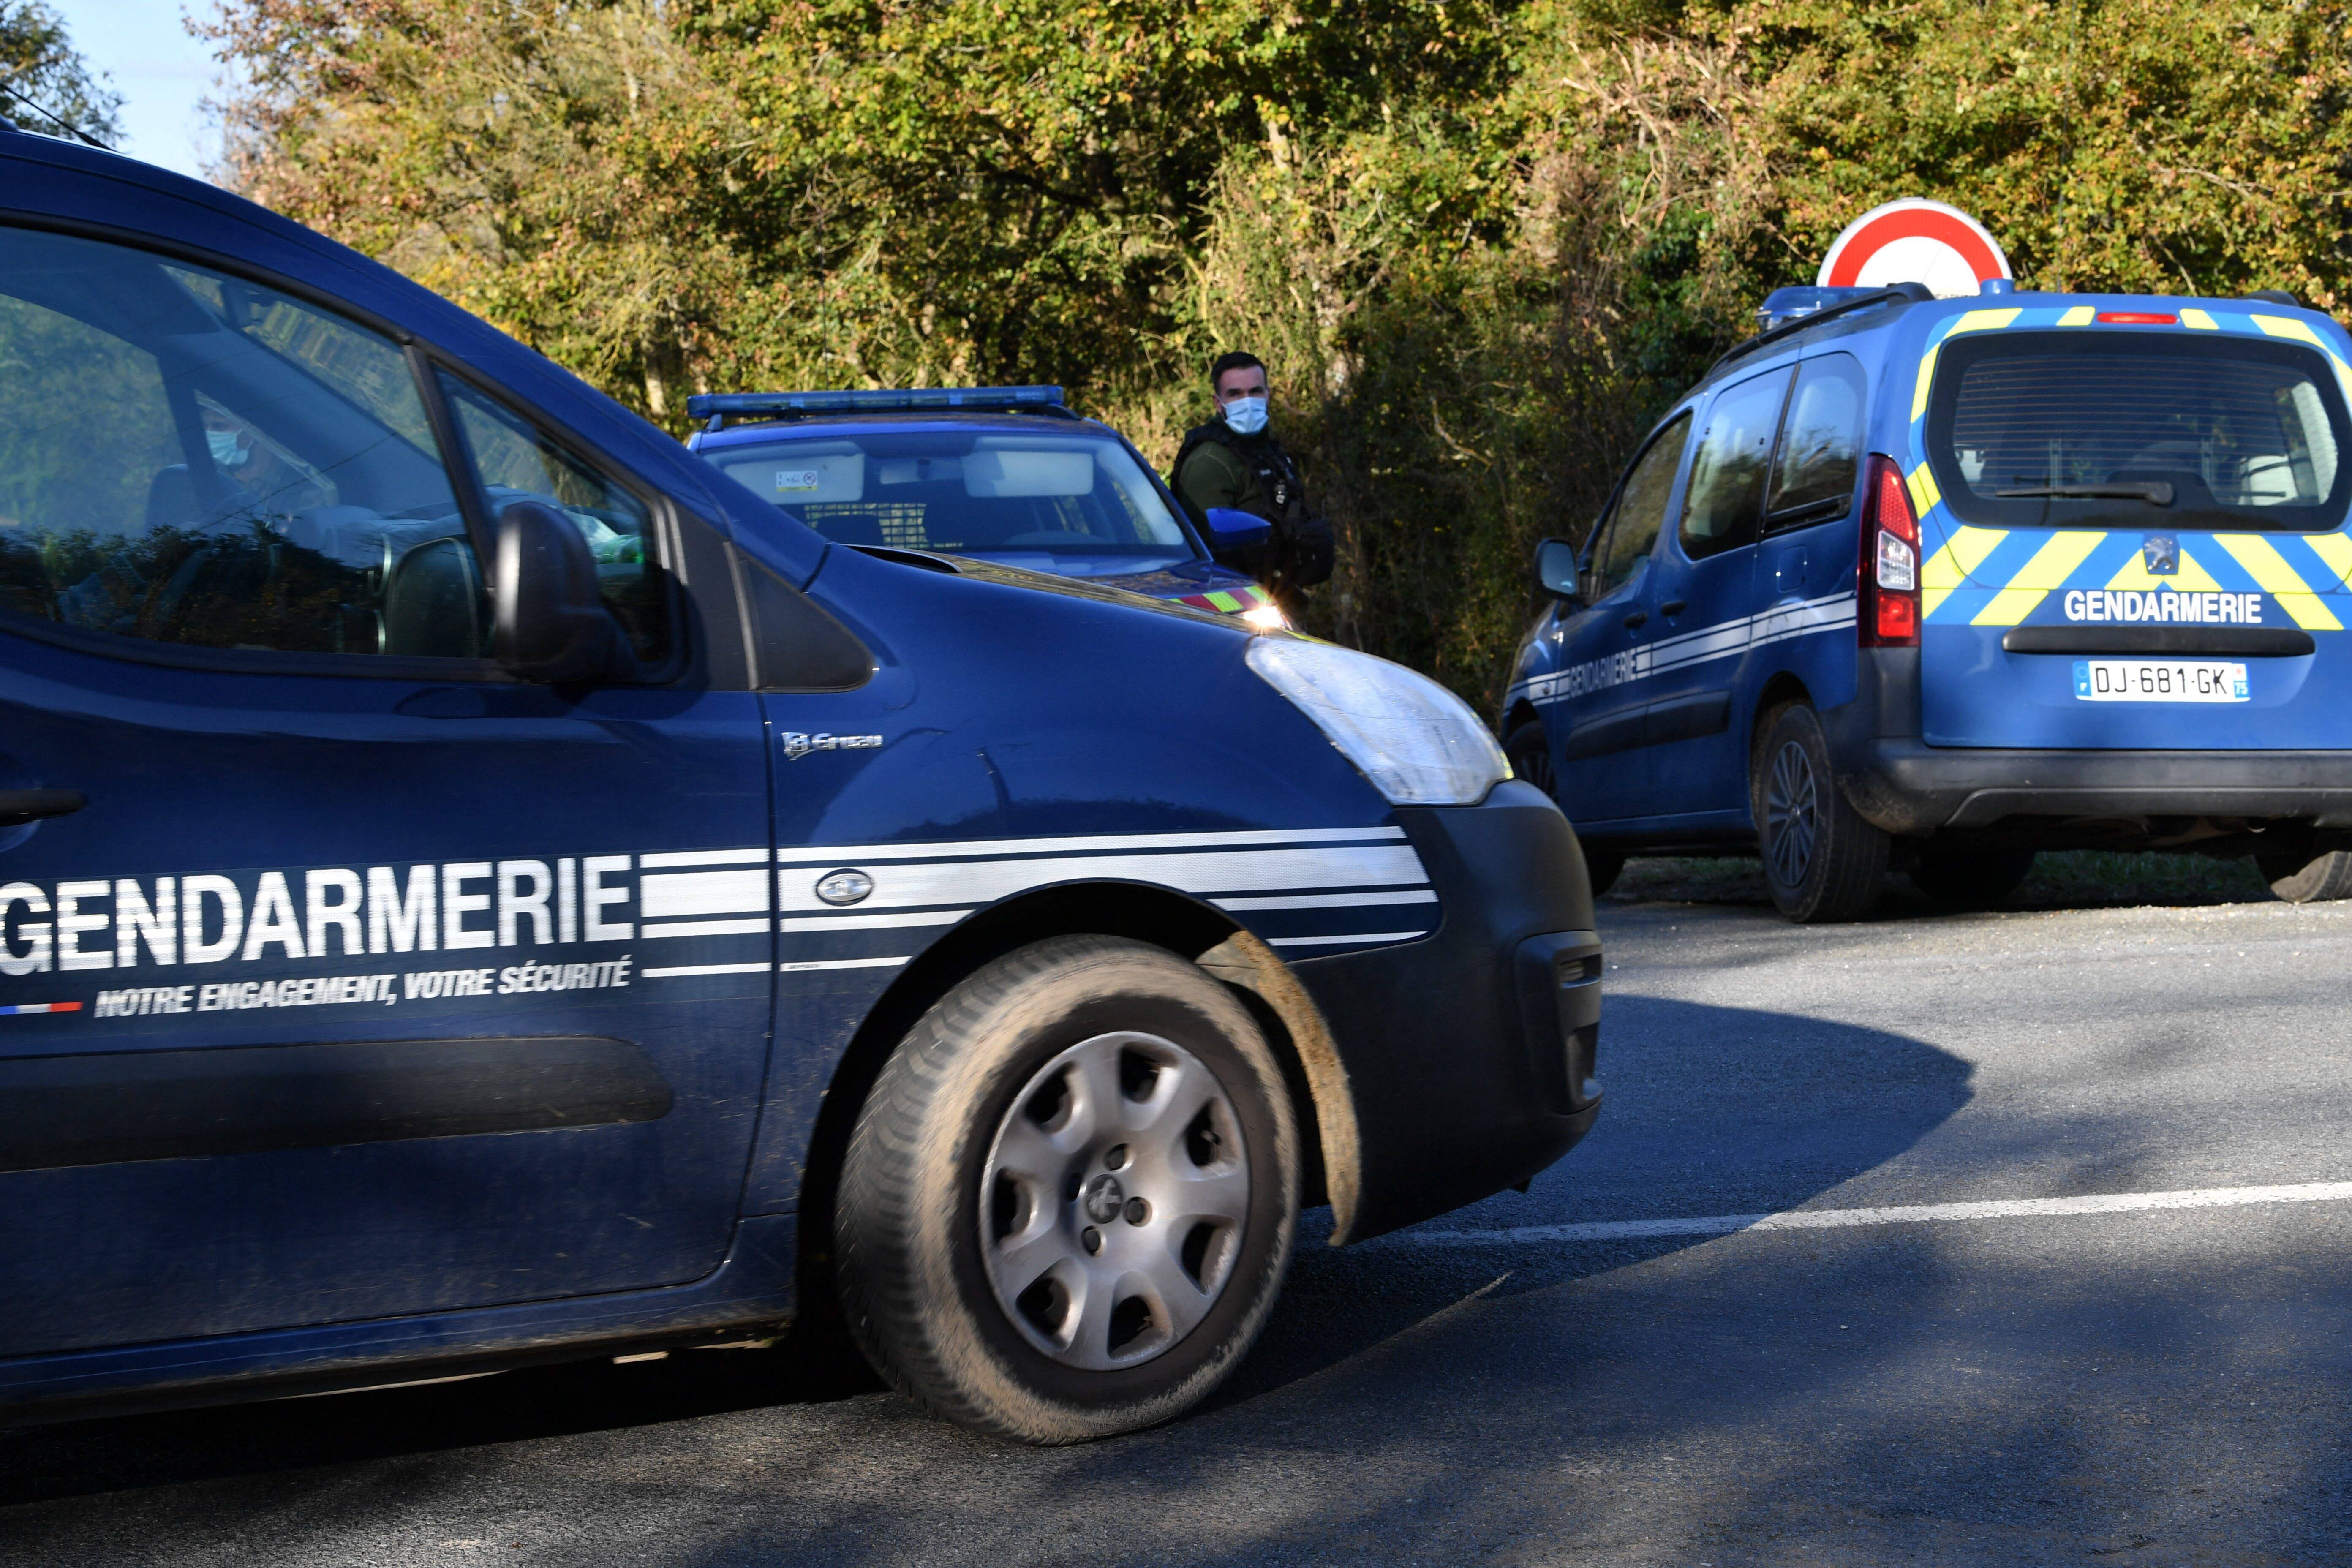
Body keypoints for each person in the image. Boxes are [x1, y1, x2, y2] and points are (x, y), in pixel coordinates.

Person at [1170, 351, 1333, 609]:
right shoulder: (1209, 463)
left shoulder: (1267, 449)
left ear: (1268, 394)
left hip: (1278, 600)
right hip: (1242, 610)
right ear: (1218, 403)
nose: (1247, 402)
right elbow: (1208, 563)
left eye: (1255, 391)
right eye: (1235, 394)